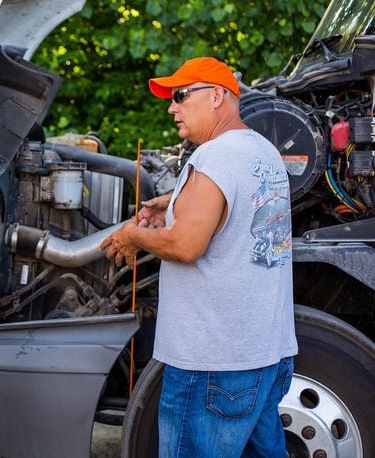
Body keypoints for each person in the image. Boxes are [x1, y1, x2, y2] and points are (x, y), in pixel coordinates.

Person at [100, 57, 298, 456]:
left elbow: (185, 246)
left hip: (213, 365)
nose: (172, 107)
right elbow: (237, 216)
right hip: (265, 355)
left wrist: (131, 234)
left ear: (217, 96)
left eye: (180, 95)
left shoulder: (216, 156)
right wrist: (173, 203)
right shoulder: (263, 152)